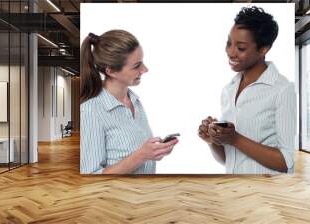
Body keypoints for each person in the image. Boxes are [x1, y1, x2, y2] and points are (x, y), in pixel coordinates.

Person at [198, 6, 296, 174]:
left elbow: (287, 162)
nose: (230, 52)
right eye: (229, 43)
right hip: (235, 191)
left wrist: (235, 139)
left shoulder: (283, 90)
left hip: (266, 195)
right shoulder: (228, 90)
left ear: (263, 49)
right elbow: (230, 160)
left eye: (241, 48)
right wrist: (212, 140)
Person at [80, 30, 178, 174]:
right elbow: (90, 177)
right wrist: (141, 156)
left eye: (142, 62)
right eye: (136, 65)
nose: (145, 69)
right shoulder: (91, 111)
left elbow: (136, 153)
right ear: (111, 71)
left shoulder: (135, 101)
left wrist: (154, 152)